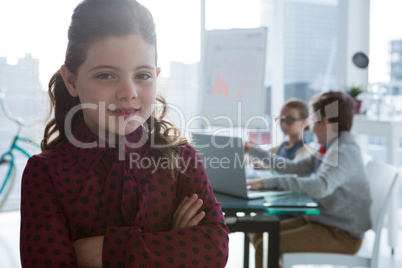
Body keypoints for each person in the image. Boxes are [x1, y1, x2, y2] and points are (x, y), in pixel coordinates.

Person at [19, 1, 229, 267]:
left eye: (142, 75)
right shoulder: (45, 173)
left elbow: (214, 248)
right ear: (72, 81)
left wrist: (102, 252)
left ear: (157, 76)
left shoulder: (181, 158)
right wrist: (170, 242)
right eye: (106, 75)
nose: (128, 92)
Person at [247, 91, 372, 268]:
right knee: (261, 235)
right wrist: (254, 150)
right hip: (324, 223)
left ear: (325, 123)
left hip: (341, 234)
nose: (311, 128)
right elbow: (292, 167)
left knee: (266, 245)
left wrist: (267, 182)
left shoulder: (342, 153)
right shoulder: (329, 148)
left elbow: (320, 187)